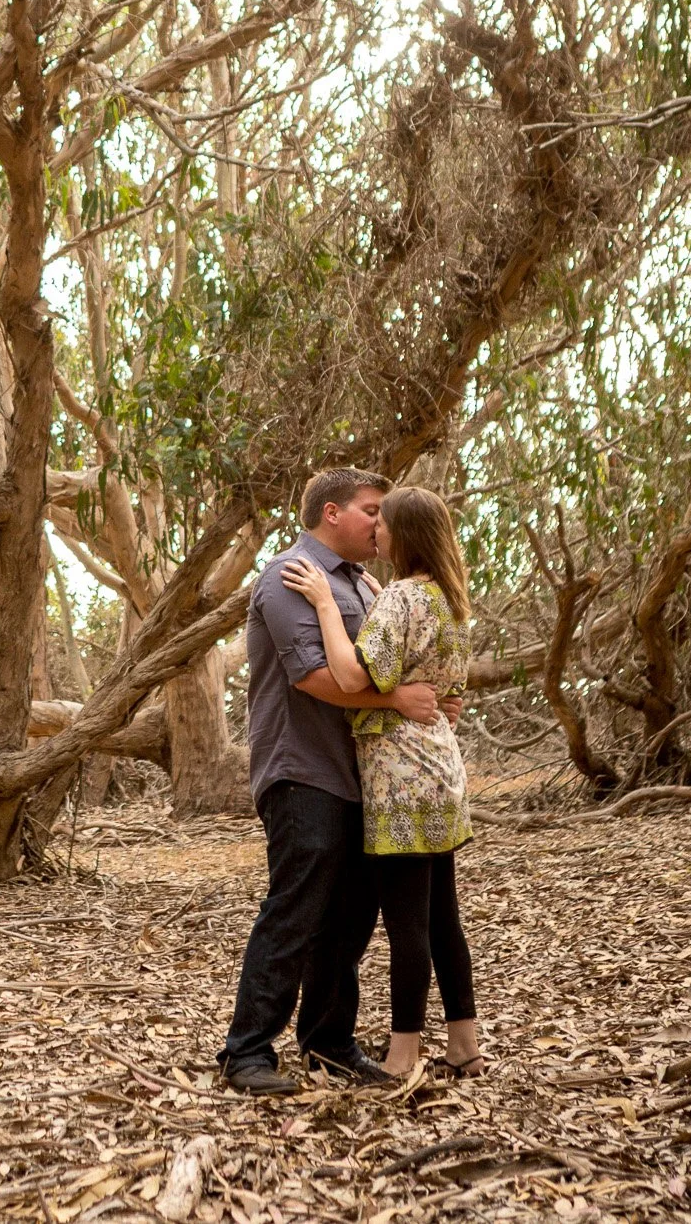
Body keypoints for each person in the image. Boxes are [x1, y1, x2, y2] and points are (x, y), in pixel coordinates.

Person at [216, 468, 450, 1097]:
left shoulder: (366, 585)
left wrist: (432, 700)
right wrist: (400, 699)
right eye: (371, 510)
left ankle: (328, 1043)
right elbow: (314, 676)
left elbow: (392, 657)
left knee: (347, 917)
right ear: (331, 513)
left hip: (361, 778)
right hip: (303, 769)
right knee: (296, 908)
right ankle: (247, 1053)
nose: (382, 521)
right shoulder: (290, 576)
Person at [282, 484, 483, 1080]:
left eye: (384, 522)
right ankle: (463, 1045)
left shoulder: (401, 598)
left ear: (406, 534)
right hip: (442, 770)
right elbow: (453, 696)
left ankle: (402, 1057)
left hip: (399, 777)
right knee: (443, 915)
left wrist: (323, 602)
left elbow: (349, 676)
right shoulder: (450, 600)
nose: (377, 532)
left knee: (407, 925)